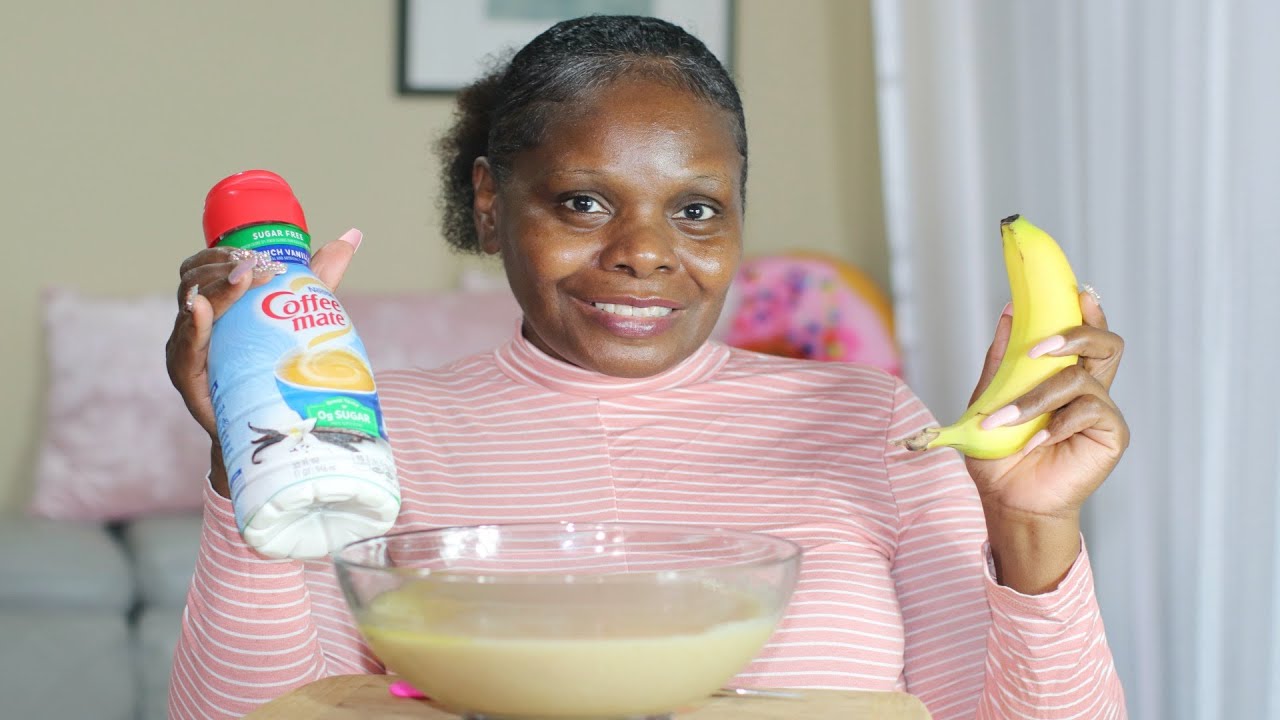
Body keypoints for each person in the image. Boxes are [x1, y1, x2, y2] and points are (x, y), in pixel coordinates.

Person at [165, 14, 1129, 720]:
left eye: (697, 210)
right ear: (494, 204)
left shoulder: (872, 422)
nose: (647, 252)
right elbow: (269, 715)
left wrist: (1032, 530)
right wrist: (245, 458)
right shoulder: (370, 428)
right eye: (585, 203)